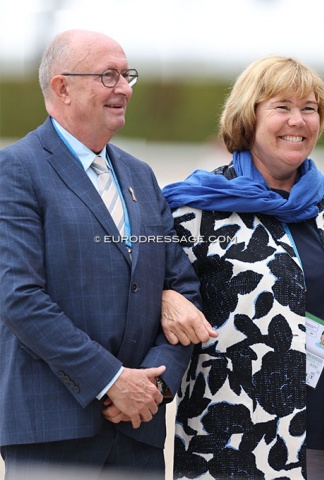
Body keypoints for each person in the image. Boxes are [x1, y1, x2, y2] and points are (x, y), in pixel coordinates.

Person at [161, 56, 324, 479]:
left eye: (310, 109)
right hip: (228, 446)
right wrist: (164, 295)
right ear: (249, 115)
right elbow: (139, 286)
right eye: (282, 106)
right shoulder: (196, 211)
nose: (297, 120)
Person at [0, 29, 205, 480]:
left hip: (138, 430)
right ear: (62, 88)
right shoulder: (16, 168)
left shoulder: (141, 175)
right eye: (108, 76)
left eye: (127, 75)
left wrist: (156, 384)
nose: (126, 88)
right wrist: (111, 380)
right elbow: (19, 297)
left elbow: (182, 285)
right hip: (52, 432)